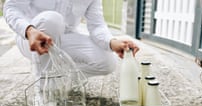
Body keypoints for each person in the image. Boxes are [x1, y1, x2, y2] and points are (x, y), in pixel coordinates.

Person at [3, 0, 139, 78]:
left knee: (108, 62)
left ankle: (59, 82)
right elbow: (11, 8)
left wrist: (112, 42)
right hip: (31, 39)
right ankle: (43, 89)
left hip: (66, 39)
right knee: (52, 19)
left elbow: (97, 25)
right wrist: (29, 30)